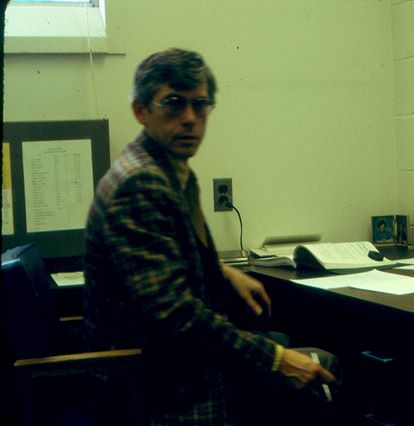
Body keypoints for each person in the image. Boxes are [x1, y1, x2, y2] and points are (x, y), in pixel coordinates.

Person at [83, 48, 338, 426]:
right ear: (140, 110)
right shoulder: (141, 184)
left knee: (300, 344)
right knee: (320, 366)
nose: (190, 118)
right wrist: (276, 360)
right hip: (158, 384)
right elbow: (176, 315)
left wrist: (220, 271)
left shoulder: (165, 169)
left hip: (170, 360)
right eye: (174, 104)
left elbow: (166, 260)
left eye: (200, 105)